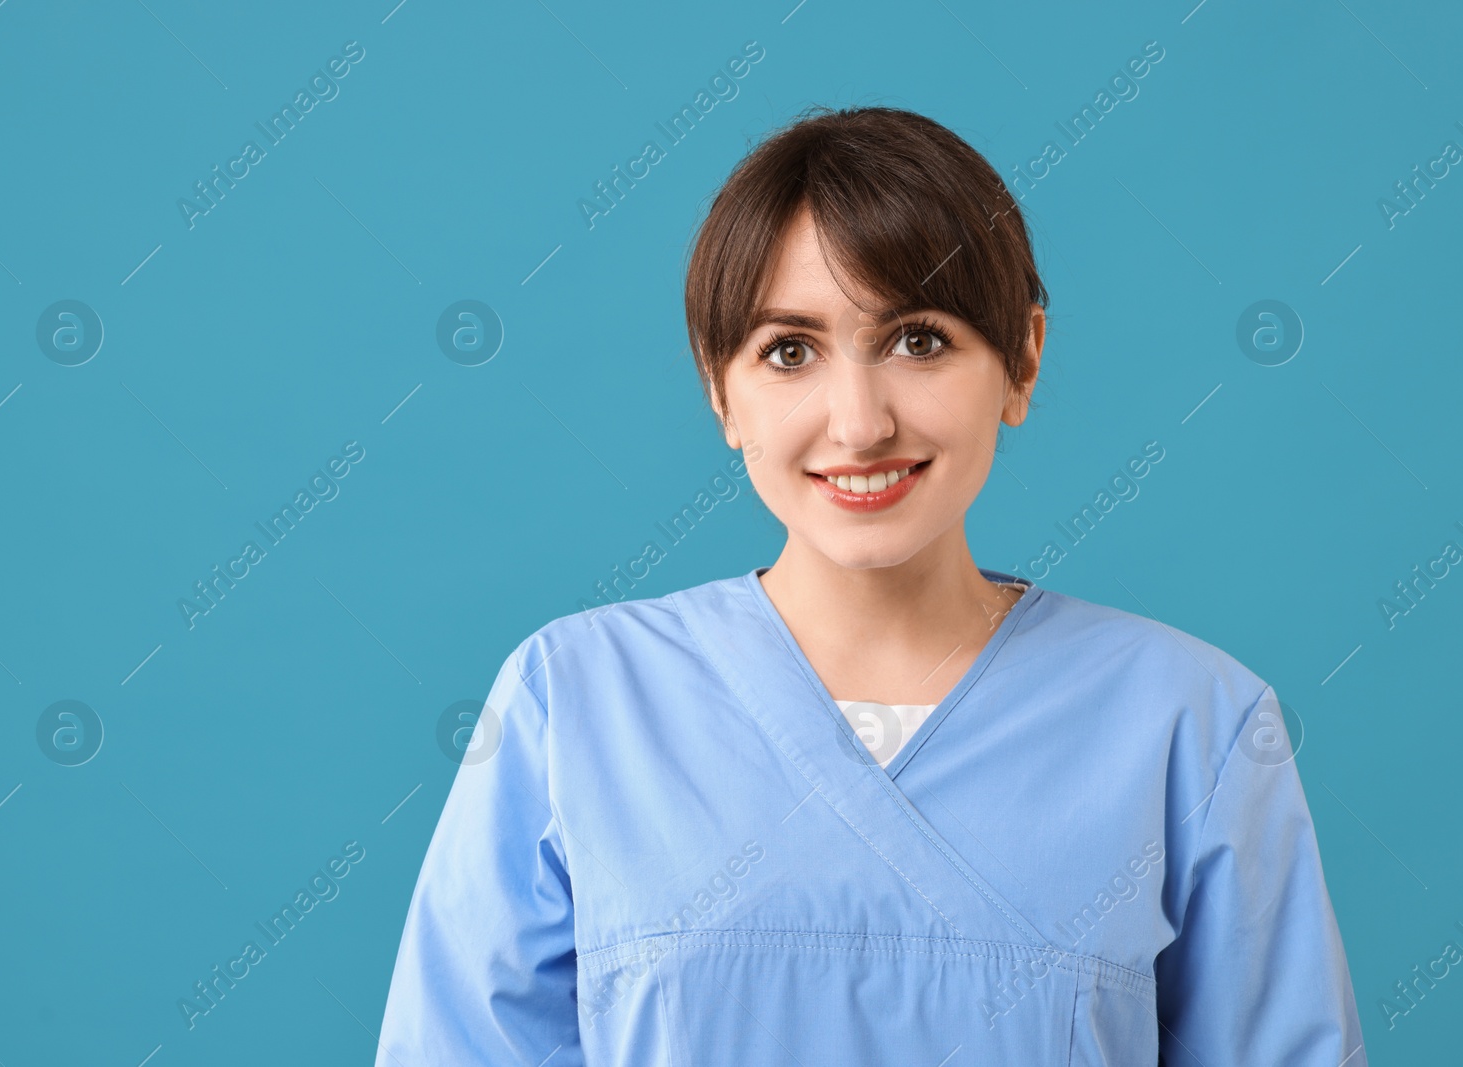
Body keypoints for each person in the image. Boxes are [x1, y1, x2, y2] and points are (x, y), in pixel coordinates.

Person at [373, 105, 1365, 1065]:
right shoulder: (574, 702)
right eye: (788, 351)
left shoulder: (1193, 725)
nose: (858, 423)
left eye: (918, 339)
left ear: (1021, 358)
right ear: (720, 390)